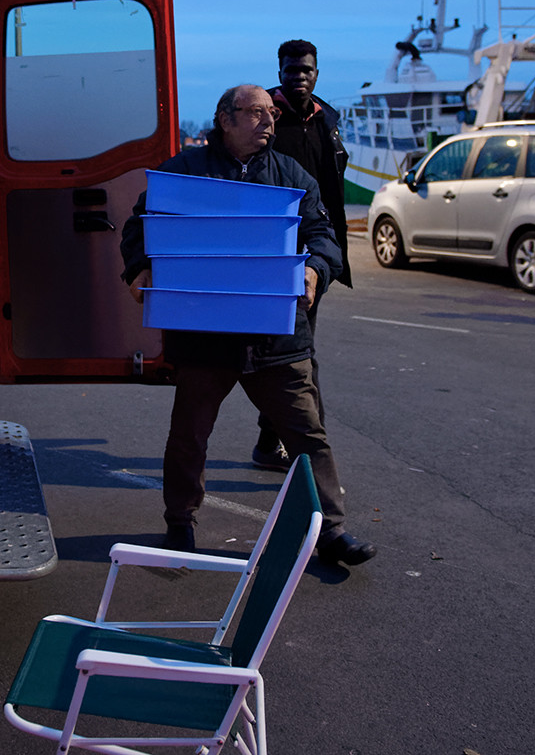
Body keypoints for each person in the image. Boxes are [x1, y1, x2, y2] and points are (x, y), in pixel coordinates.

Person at [119, 84, 376, 567]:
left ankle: (331, 531)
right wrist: (140, 267)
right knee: (189, 436)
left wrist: (316, 268)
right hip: (204, 335)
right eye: (256, 113)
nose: (269, 122)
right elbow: (139, 226)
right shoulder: (183, 174)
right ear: (225, 118)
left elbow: (322, 234)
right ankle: (179, 525)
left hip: (276, 336)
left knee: (307, 435)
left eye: (272, 114)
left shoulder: (291, 175)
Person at [249, 39, 351, 472]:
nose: (299, 77)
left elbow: (332, 179)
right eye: (291, 70)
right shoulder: (264, 118)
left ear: (317, 72)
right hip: (275, 250)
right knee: (296, 355)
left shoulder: (325, 117)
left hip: (315, 249)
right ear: (280, 70)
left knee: (294, 351)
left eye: (306, 70)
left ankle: (271, 441)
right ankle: (302, 448)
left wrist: (329, 252)